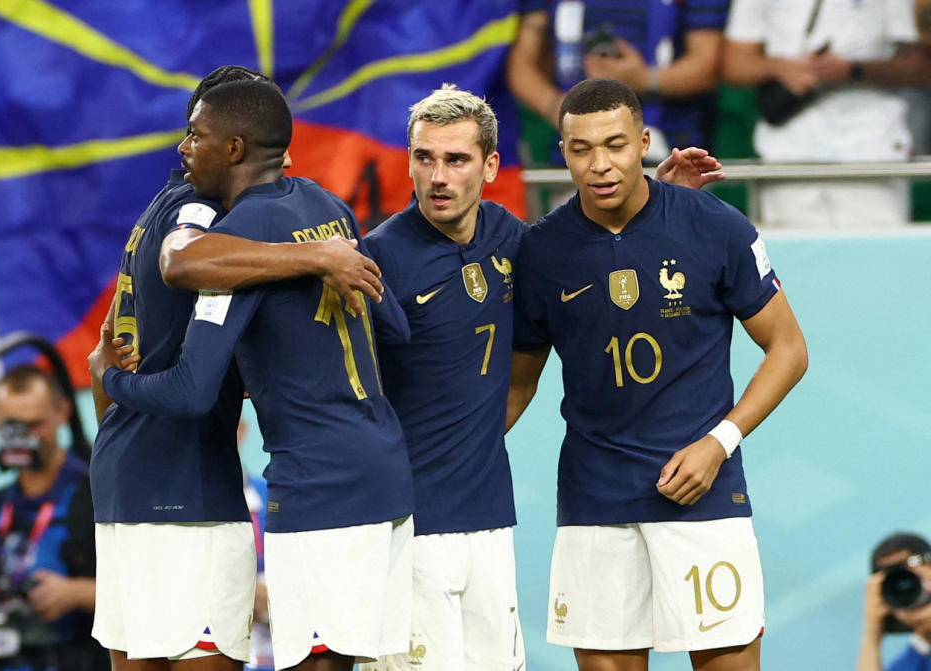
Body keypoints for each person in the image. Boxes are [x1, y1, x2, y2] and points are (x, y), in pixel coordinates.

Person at [127, 77, 723, 670]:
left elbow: (582, 245)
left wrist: (651, 198)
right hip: (406, 523)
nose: (439, 177)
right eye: (424, 158)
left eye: (457, 160)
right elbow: (314, 365)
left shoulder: (512, 239)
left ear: (490, 167)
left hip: (489, 519)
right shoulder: (376, 257)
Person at [89, 79, 415, 671]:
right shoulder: (328, 208)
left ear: (235, 147)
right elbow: (394, 327)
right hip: (384, 471)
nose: (183, 146)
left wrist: (109, 381)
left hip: (307, 483)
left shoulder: (228, 240)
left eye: (196, 133)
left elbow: (190, 385)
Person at [507, 78, 808, 671]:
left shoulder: (714, 226)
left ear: (644, 141)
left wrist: (718, 444)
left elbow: (789, 350)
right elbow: (518, 385)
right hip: (594, 502)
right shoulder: (540, 254)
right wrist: (452, 456)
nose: (600, 164)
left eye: (616, 145)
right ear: (562, 152)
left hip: (705, 498)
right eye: (582, 149)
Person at [723, 0, 925, 228]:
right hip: (787, 152)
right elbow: (735, 64)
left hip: (872, 149)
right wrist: (780, 67)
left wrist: (853, 70)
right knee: (790, 260)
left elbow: (921, 65)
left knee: (876, 258)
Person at [0, 365, 108, 671]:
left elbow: (149, 589)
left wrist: (76, 593)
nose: (23, 438)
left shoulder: (99, 495)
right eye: (12, 425)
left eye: (36, 424)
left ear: (62, 411)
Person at [507, 0, 729, 163]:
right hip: (577, 156)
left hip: (669, 155)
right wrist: (557, 106)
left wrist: (643, 80)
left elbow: (708, 65)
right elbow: (521, 64)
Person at [858, 532, 931, 671]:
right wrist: (871, 633)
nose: (904, 586)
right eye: (892, 583)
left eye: (911, 574)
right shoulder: (908, 665)